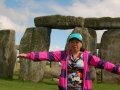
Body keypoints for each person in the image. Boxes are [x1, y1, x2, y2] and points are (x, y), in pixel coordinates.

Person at [17, 33, 120, 90]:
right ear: (69, 44)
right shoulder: (63, 55)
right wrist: (29, 55)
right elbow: (46, 55)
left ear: (81, 44)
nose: (74, 44)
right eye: (72, 42)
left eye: (77, 42)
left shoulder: (87, 57)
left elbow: (104, 64)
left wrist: (118, 70)